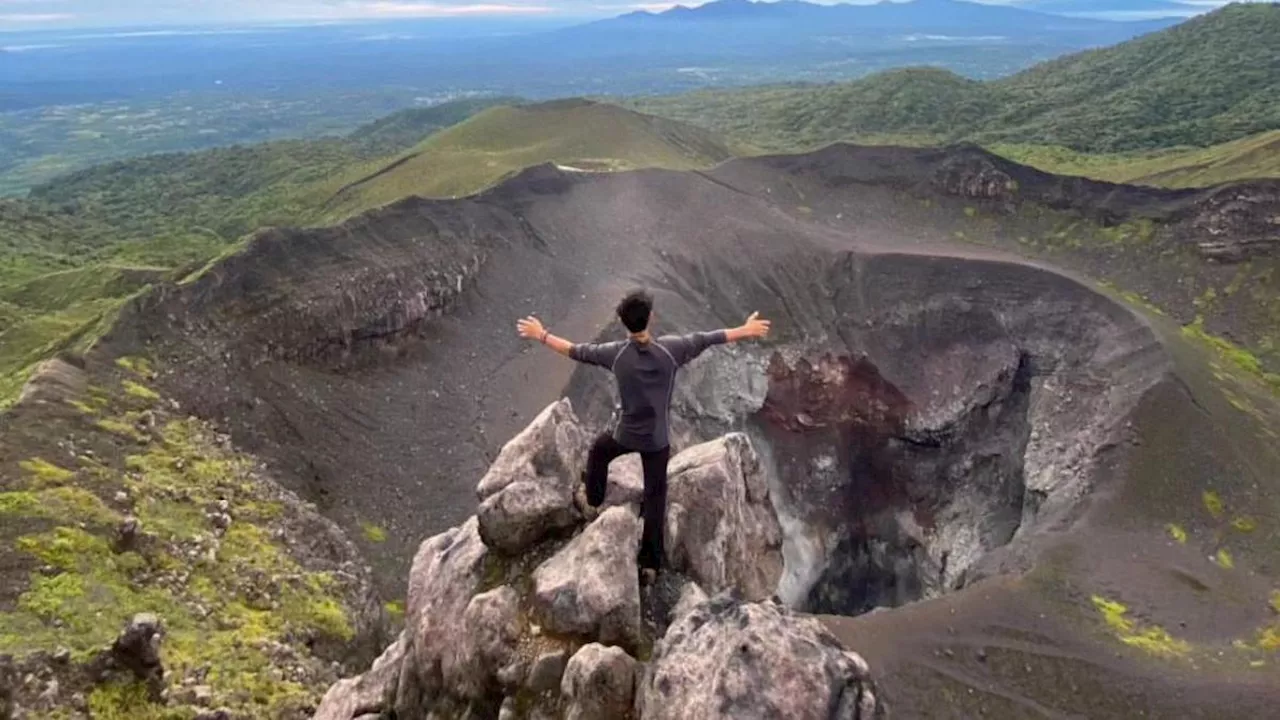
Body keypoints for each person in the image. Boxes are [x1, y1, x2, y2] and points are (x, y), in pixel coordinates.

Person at [516, 289, 771, 585]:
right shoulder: (671, 350)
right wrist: (746, 329)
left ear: (624, 323)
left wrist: (542, 334)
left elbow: (574, 350)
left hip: (625, 435)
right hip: (657, 441)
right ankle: (650, 564)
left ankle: (593, 500)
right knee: (655, 497)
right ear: (651, 318)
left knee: (599, 450)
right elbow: (709, 337)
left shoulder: (615, 354)